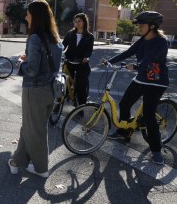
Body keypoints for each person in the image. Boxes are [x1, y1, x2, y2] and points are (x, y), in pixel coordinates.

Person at [105, 11, 169, 165]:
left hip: (156, 82)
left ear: (152, 26)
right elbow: (128, 52)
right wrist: (110, 60)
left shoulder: (161, 42)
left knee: (148, 115)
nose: (139, 27)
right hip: (141, 78)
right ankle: (124, 131)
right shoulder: (142, 40)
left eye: (142, 25)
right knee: (125, 103)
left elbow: (149, 59)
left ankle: (156, 149)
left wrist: (137, 65)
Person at [8, 0, 63, 178]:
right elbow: (51, 64)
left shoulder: (34, 38)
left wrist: (21, 63)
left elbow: (31, 70)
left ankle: (41, 168)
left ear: (35, 16)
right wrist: (30, 57)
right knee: (31, 127)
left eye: (28, 13)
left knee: (35, 129)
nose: (26, 16)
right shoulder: (54, 37)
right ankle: (17, 160)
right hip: (50, 89)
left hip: (35, 90)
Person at [61, 13, 94, 107]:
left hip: (82, 64)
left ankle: (80, 108)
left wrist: (86, 57)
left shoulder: (89, 36)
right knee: (63, 84)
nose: (77, 23)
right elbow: (63, 45)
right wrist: (58, 51)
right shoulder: (70, 33)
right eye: (75, 21)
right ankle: (59, 104)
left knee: (81, 87)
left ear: (84, 22)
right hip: (69, 61)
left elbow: (89, 50)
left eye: (79, 21)